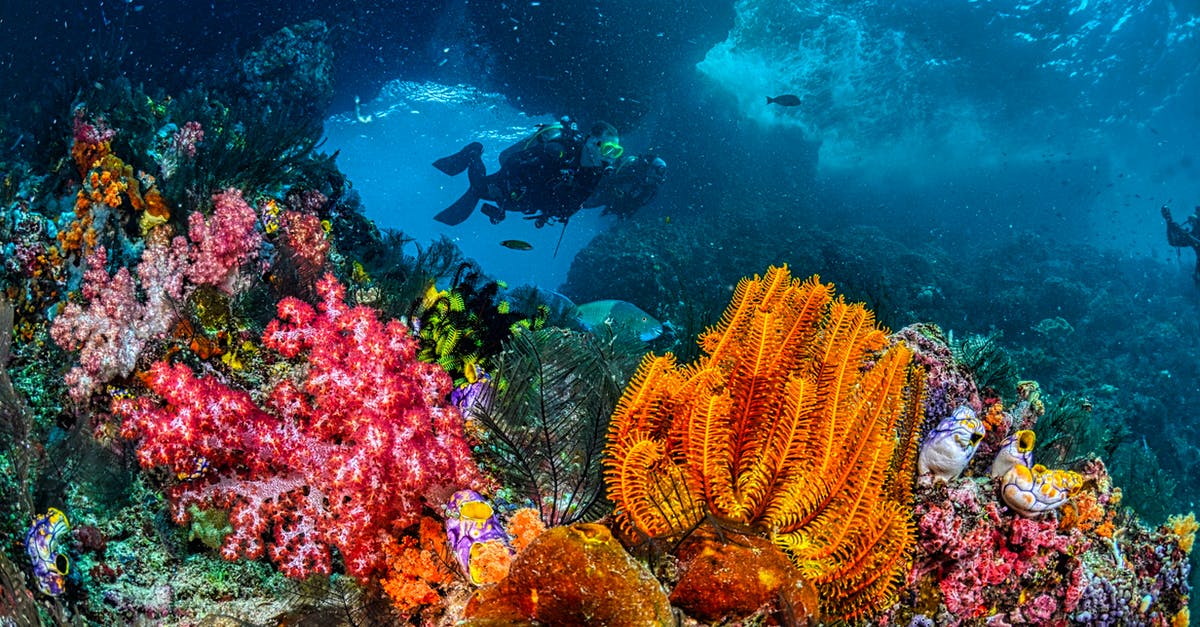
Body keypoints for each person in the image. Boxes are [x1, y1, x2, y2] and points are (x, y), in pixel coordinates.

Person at [433, 118, 623, 228]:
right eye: (606, 149)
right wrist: (510, 187)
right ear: (590, 141)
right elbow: (514, 161)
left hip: (529, 202)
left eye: (615, 152)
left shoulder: (596, 174)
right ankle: (474, 153)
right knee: (478, 187)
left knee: (482, 193)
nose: (608, 157)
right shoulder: (558, 151)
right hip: (511, 186)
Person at [582, 153, 667, 219]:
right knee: (585, 202)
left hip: (613, 202)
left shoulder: (650, 186)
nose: (658, 178)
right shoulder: (632, 172)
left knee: (586, 203)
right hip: (605, 194)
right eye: (658, 171)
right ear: (650, 169)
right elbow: (609, 181)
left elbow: (638, 203)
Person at [1161, 204, 1200, 284]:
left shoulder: (1193, 236)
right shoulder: (1193, 236)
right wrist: (1169, 222)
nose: (1192, 224)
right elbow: (1173, 242)